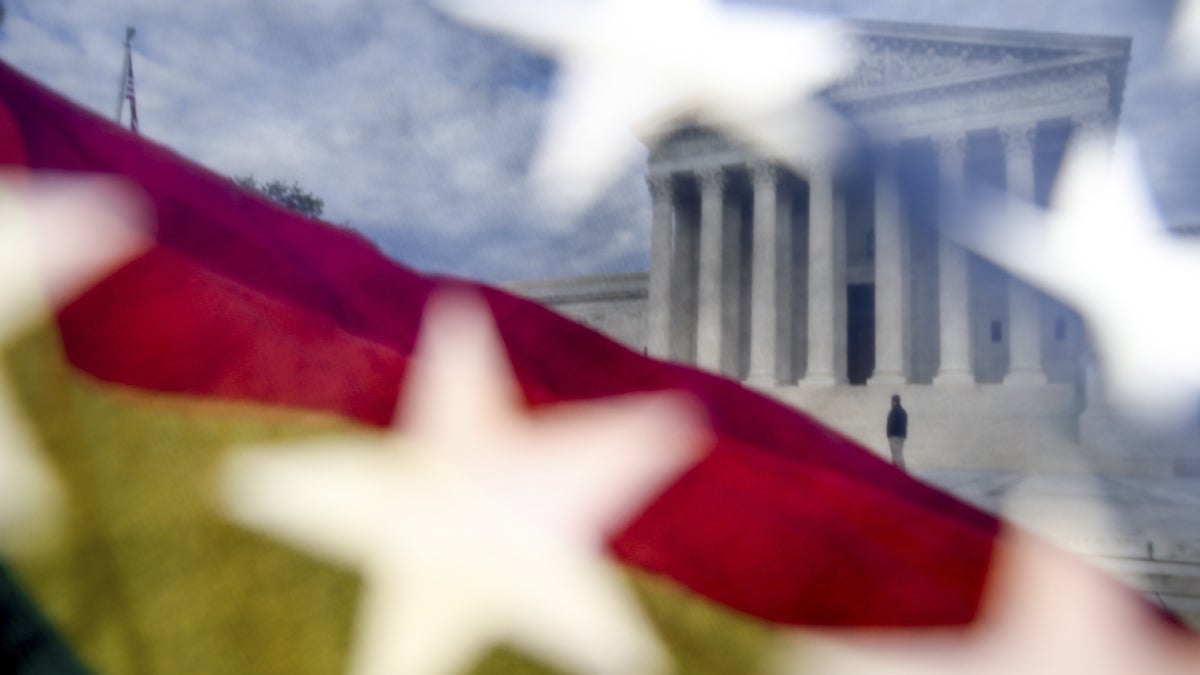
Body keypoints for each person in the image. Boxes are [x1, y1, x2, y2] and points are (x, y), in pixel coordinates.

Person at [886, 394, 907, 470]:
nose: (891, 402)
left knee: (897, 454)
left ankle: (902, 470)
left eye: (891, 401)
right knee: (896, 453)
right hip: (902, 436)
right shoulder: (903, 412)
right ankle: (894, 470)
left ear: (894, 401)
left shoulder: (893, 411)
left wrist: (889, 434)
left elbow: (891, 423)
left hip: (894, 436)